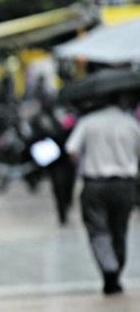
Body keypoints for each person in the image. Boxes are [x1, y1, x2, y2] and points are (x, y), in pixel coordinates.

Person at [65, 94, 140, 295]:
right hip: (125, 184)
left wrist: (85, 162)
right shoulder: (130, 123)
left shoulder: (88, 123)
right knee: (119, 230)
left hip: (94, 184)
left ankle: (109, 269)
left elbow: (71, 150)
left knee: (98, 229)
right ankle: (115, 271)